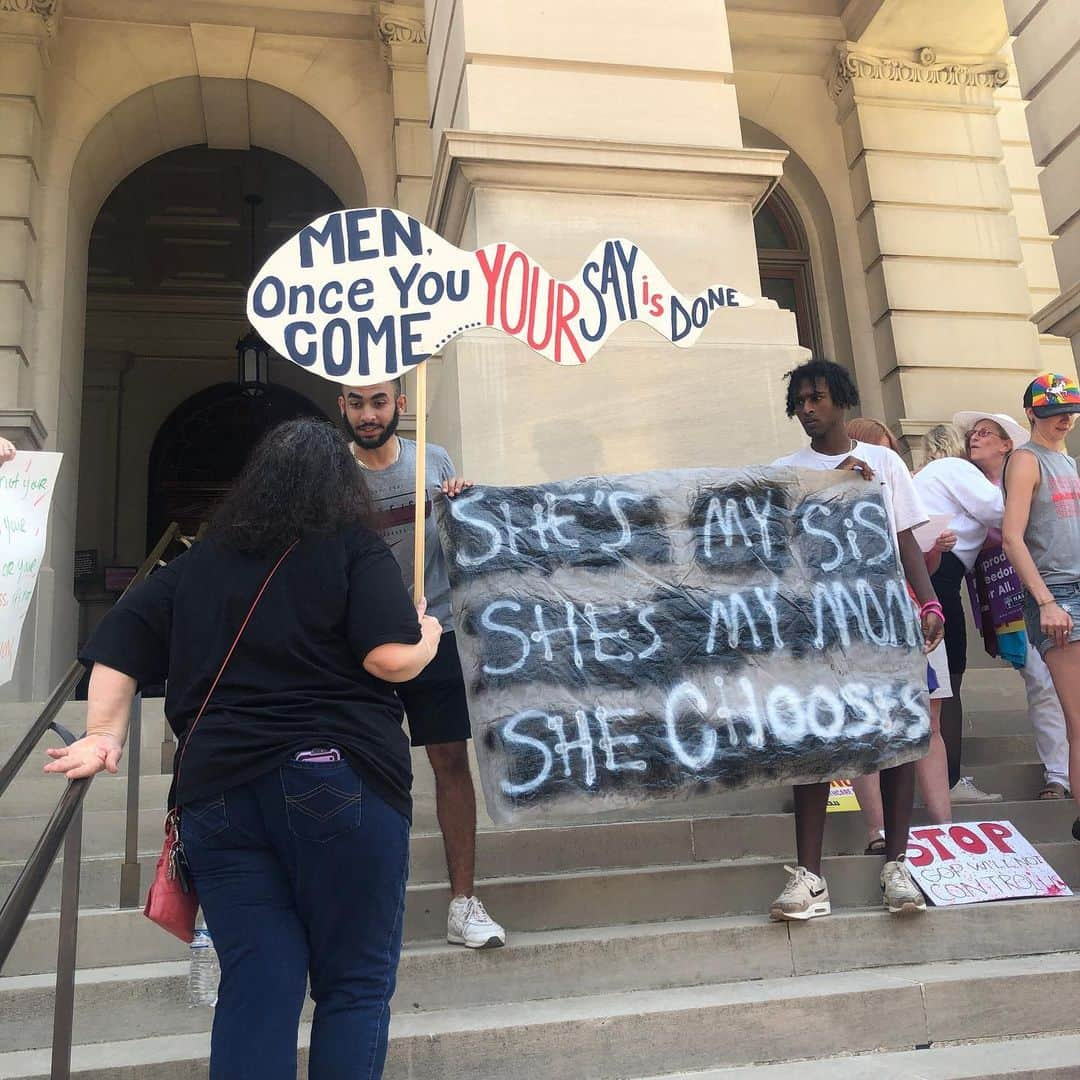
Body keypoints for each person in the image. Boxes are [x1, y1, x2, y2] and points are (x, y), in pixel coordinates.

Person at [44, 418, 441, 1080]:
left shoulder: (194, 566)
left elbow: (117, 643)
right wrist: (426, 637)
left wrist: (104, 735)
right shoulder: (353, 548)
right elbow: (389, 659)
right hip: (339, 778)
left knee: (258, 986)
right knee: (354, 987)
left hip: (218, 795)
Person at [770, 360, 943, 920]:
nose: (808, 409)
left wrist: (930, 600)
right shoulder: (783, 471)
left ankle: (897, 863)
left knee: (893, 735)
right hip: (815, 625)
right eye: (800, 401)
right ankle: (810, 876)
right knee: (813, 743)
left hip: (882, 618)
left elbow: (904, 539)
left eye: (817, 398)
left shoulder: (883, 462)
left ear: (841, 401)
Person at [339, 378, 506, 950]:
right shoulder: (335, 475)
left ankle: (464, 901)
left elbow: (464, 541)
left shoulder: (432, 459)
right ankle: (355, 905)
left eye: (379, 401)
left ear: (400, 406)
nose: (368, 413)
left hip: (436, 629)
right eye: (356, 402)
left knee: (449, 760)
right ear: (342, 406)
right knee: (362, 767)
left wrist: (464, 501)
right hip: (365, 643)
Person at [845, 419, 954, 848]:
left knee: (928, 722)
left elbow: (918, 562)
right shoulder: (830, 483)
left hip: (911, 613)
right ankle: (878, 829)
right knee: (866, 725)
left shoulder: (898, 482)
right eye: (881, 450)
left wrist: (933, 553)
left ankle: (944, 827)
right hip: (855, 616)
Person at [954, 409, 1072, 804]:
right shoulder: (966, 482)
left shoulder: (1032, 471)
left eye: (986, 432)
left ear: (1008, 443)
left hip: (1038, 590)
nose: (975, 437)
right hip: (1002, 599)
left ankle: (1059, 774)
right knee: (1039, 680)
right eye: (972, 433)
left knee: (1045, 682)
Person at [913, 420, 1008, 805]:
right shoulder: (955, 470)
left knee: (938, 682)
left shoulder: (931, 477)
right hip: (941, 579)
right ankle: (949, 781)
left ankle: (937, 780)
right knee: (948, 680)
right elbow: (1002, 511)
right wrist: (1010, 475)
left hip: (933, 576)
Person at [1002, 373, 1080, 839]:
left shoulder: (1065, 460)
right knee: (1078, 717)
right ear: (1031, 413)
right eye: (1052, 412)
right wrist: (1045, 601)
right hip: (1057, 593)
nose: (1063, 419)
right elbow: (1012, 536)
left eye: (1069, 410)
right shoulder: (1027, 460)